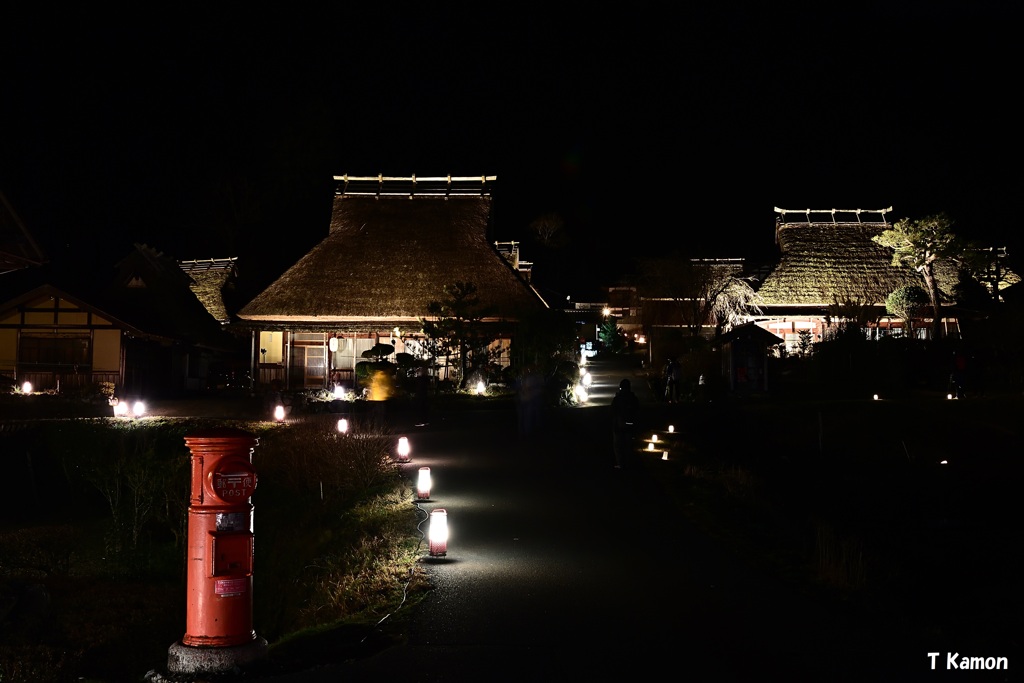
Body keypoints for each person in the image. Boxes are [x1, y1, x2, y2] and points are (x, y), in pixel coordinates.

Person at [610, 378, 640, 468]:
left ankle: (620, 463)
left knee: (618, 446)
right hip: (630, 426)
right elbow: (637, 412)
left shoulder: (617, 399)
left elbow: (612, 411)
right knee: (628, 445)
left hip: (618, 426)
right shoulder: (633, 399)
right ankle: (628, 463)